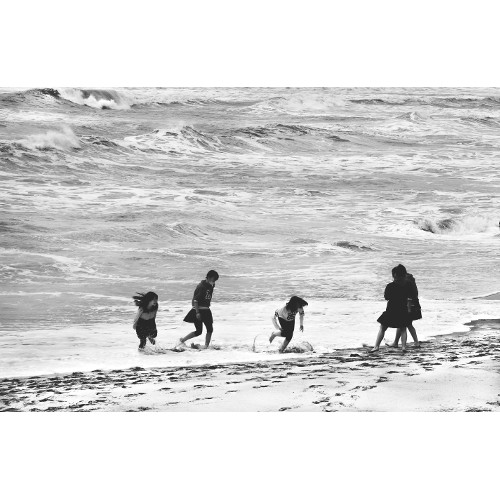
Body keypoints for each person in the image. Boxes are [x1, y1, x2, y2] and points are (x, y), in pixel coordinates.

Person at [369, 265, 412, 353]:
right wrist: (409, 309)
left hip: (391, 309)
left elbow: (386, 297)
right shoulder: (407, 285)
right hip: (403, 309)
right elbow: (409, 297)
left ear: (395, 275)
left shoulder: (390, 286)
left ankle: (376, 346)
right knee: (403, 329)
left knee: (382, 328)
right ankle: (404, 347)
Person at [179, 270, 219, 349]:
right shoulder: (201, 287)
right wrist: (197, 313)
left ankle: (206, 346)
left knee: (210, 329)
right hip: (199, 310)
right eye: (214, 279)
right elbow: (195, 301)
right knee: (199, 331)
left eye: (215, 280)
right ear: (209, 277)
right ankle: (182, 340)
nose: (214, 281)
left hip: (206, 310)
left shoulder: (210, 285)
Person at [387, 265, 421, 348]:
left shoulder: (405, 281)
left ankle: (415, 342)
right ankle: (397, 342)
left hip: (408, 305)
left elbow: (408, 294)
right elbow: (415, 294)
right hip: (411, 304)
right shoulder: (409, 279)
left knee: (406, 324)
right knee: (403, 324)